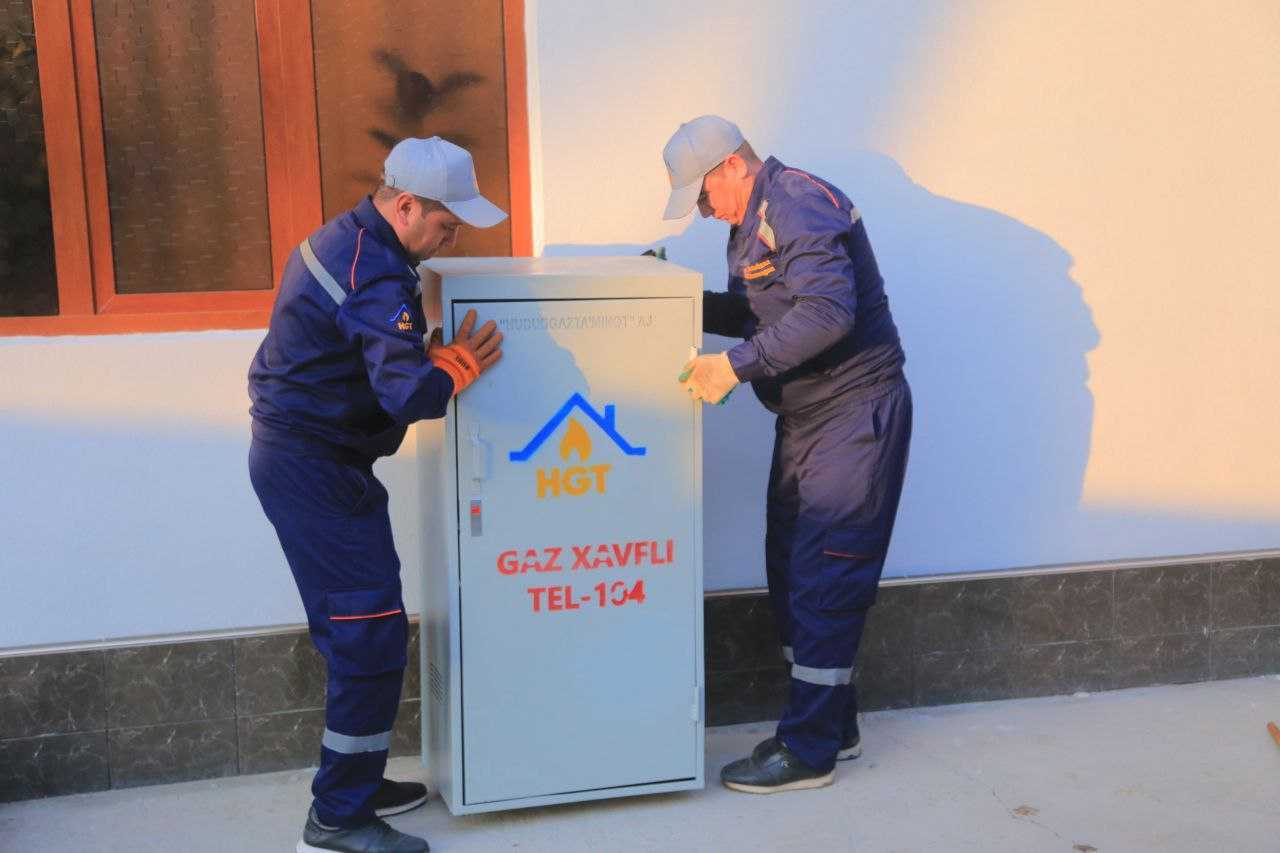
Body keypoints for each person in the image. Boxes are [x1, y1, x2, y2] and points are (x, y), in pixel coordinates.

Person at [248, 136, 505, 852]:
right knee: (368, 633)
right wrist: (453, 371)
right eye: (447, 223)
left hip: (313, 464)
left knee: (360, 630)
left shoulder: (351, 241)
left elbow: (363, 355)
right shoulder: (373, 272)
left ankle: (355, 781)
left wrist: (423, 358)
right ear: (406, 206)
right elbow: (408, 395)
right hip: (315, 470)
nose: (453, 238)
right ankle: (338, 816)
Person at [666, 116, 912, 793]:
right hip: (807, 418)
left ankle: (808, 749)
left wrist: (732, 367)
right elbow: (761, 313)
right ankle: (834, 723)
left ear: (731, 167)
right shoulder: (751, 223)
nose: (705, 211)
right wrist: (679, 302)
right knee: (792, 567)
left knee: (827, 572)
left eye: (703, 196)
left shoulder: (798, 204)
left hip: (853, 414)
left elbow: (829, 313)